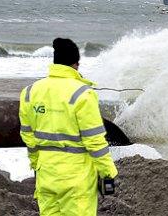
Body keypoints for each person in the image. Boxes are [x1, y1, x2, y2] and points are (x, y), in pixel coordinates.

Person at [19, 38, 118, 216]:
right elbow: (94, 141)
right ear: (76, 65)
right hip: (76, 181)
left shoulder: (29, 92)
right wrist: (108, 172)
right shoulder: (83, 94)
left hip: (46, 176)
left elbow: (28, 137)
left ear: (55, 62)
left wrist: (37, 166)